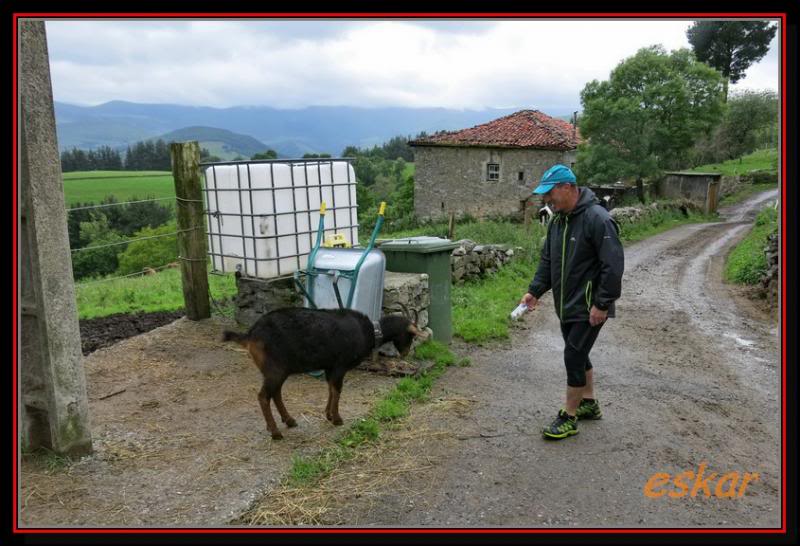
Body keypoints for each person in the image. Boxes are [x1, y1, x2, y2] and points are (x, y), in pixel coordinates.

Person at [520, 164, 624, 440]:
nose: (546, 200)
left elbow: (612, 267)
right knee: (577, 351)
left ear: (567, 187)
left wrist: (602, 304)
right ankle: (588, 402)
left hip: (589, 305)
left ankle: (569, 416)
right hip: (566, 304)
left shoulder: (598, 219)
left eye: (549, 193)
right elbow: (548, 262)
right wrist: (535, 291)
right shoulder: (558, 221)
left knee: (573, 355)